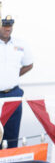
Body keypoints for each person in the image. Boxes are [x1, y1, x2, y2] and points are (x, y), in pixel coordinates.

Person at [0, 15, 34, 149]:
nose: (7, 28)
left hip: (12, 95)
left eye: (10, 25)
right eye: (4, 25)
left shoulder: (21, 44)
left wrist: (13, 76)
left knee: (11, 137)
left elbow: (29, 64)